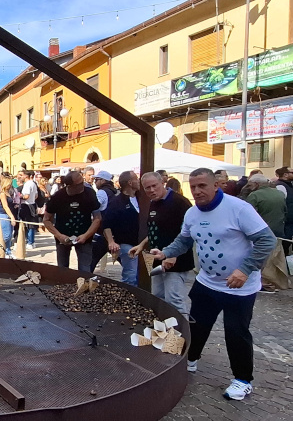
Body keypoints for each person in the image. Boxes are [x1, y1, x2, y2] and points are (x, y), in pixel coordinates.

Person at [151, 168, 276, 401]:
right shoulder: (192, 213)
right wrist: (166, 252)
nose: (197, 191)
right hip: (207, 282)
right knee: (197, 326)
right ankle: (189, 359)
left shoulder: (238, 208)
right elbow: (184, 240)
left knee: (236, 332)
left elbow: (267, 240)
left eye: (202, 186)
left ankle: (242, 380)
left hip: (239, 287)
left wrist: (245, 269)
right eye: (193, 187)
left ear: (216, 185)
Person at [130, 171, 194, 317]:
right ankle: (163, 328)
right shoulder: (154, 202)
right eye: (147, 188)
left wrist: (173, 255)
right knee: (158, 298)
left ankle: (181, 329)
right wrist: (142, 245)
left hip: (176, 262)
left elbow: (188, 232)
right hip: (157, 259)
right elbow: (156, 229)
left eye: (154, 186)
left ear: (162, 183)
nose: (152, 190)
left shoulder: (180, 202)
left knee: (174, 299)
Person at [43, 171, 101, 271]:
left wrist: (86, 235)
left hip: (85, 236)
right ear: (69, 186)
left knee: (85, 270)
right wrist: (59, 236)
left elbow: (97, 218)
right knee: (62, 269)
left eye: (82, 182)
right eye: (79, 184)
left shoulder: (89, 193)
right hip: (62, 236)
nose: (82, 186)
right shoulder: (58, 196)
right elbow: (46, 220)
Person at [245, 174, 287, 293]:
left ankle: (264, 283)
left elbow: (248, 216)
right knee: (274, 259)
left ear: (256, 184)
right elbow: (285, 211)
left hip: (260, 233)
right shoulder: (279, 194)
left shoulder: (254, 195)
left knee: (262, 259)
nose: (249, 187)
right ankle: (274, 282)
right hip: (278, 230)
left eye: (250, 185)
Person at [102, 171, 141, 286]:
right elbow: (106, 224)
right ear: (130, 183)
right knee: (130, 275)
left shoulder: (142, 198)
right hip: (127, 243)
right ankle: (128, 294)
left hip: (142, 243)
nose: (139, 181)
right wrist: (111, 241)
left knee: (141, 275)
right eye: (136, 179)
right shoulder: (117, 202)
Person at [274, 167, 293, 250]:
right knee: (284, 244)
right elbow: (280, 203)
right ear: (285, 175)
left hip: (289, 221)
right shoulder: (281, 186)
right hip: (285, 222)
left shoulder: (288, 186)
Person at [0, 175, 17, 258]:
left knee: (9, 235)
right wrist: (12, 217)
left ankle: (8, 251)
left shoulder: (8, 192)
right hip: (3, 214)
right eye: (9, 184)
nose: (10, 185)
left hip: (8, 214)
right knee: (6, 235)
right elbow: (5, 206)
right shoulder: (2, 193)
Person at [19, 170, 39, 251]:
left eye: (22, 175)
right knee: (31, 224)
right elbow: (36, 196)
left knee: (28, 224)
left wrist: (20, 196)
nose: (21, 177)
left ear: (26, 176)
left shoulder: (27, 184)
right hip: (32, 204)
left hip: (27, 205)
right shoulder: (34, 183)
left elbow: (26, 196)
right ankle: (32, 241)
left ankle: (29, 242)